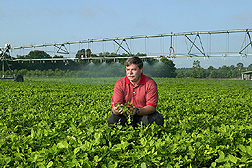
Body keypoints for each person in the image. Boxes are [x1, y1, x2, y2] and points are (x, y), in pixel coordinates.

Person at [107, 56, 164, 127]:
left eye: (133, 70)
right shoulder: (120, 83)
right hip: (125, 115)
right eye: (128, 70)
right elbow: (115, 106)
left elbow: (151, 107)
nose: (130, 73)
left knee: (157, 119)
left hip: (143, 114)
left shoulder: (150, 83)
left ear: (141, 70)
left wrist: (137, 111)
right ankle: (125, 134)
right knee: (112, 119)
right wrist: (116, 110)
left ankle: (144, 134)